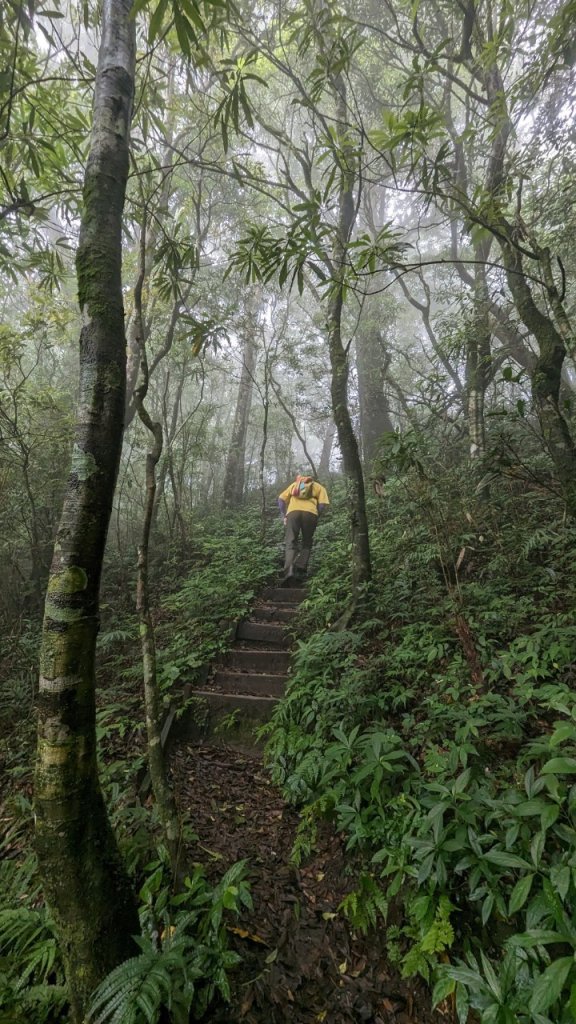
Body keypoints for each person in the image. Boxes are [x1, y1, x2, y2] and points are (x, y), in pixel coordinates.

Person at [277, 472, 330, 582]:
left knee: (290, 541)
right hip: (310, 514)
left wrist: (284, 515)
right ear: (312, 479)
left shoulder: (295, 485)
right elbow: (322, 505)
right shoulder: (319, 487)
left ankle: (289, 571)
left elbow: (281, 500)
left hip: (293, 513)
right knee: (307, 542)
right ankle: (301, 568)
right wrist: (316, 514)